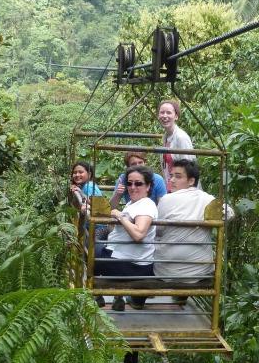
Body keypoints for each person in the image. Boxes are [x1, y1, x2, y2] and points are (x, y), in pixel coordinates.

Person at [145, 158, 234, 307]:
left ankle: (137, 299)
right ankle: (181, 296)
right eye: (171, 176)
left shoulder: (167, 199)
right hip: (199, 271)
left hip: (166, 271)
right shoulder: (208, 199)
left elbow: (158, 230)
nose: (172, 180)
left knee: (144, 251)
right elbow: (229, 213)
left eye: (178, 176)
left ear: (191, 181)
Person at [94, 166, 158, 311]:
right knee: (95, 244)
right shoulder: (133, 203)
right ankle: (113, 295)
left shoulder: (146, 205)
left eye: (138, 183)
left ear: (148, 186)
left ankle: (97, 293)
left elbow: (139, 234)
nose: (133, 187)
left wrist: (119, 216)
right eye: (129, 183)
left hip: (132, 266)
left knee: (87, 247)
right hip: (127, 260)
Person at [158, 99, 193, 192]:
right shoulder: (165, 137)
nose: (165, 116)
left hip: (184, 190)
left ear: (176, 116)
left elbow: (189, 167)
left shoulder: (181, 137)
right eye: (162, 112)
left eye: (169, 113)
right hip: (171, 188)